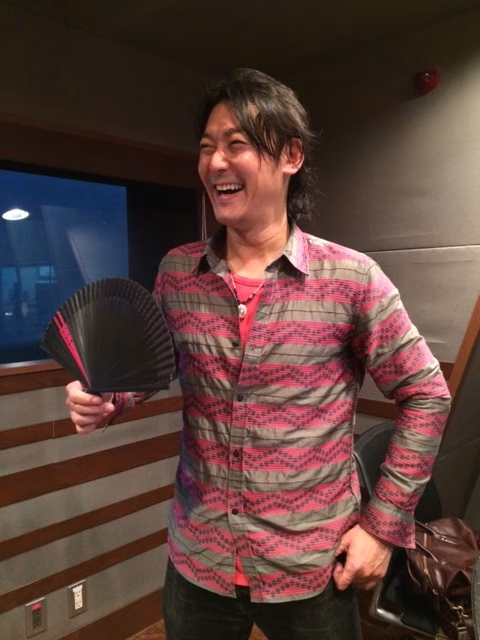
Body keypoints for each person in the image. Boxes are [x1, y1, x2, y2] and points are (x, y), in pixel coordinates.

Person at [65, 68, 451, 639]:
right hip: (200, 557)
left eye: (236, 144)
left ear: (291, 155)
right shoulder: (178, 273)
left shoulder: (351, 278)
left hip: (312, 566)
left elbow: (426, 395)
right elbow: (156, 366)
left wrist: (382, 527)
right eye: (206, 148)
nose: (215, 163)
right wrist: (105, 399)